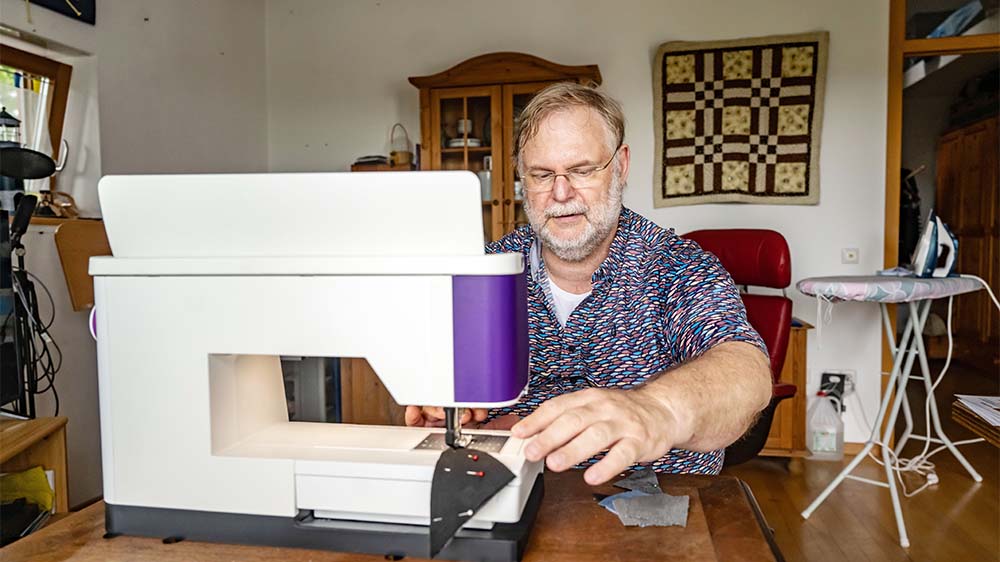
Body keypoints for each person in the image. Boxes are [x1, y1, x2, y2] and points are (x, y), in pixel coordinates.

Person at [405, 82, 772, 486]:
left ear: (621, 166)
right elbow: (435, 378)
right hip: (507, 491)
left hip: (659, 503)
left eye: (581, 171)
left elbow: (746, 372)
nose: (561, 193)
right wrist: (441, 404)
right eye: (542, 175)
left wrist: (658, 409)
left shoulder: (678, 266)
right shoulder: (485, 271)